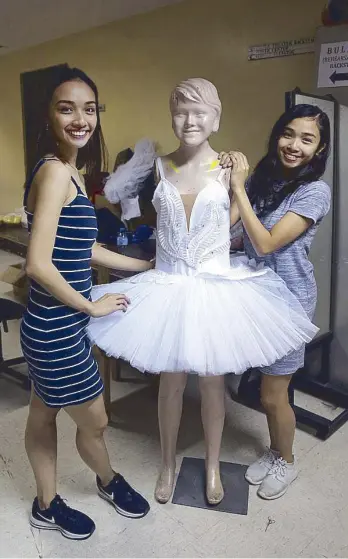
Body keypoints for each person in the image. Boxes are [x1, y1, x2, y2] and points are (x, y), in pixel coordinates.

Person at [87, 79, 318, 507]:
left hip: (215, 286)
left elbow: (229, 226)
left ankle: (213, 466)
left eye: (200, 112)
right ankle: (168, 463)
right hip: (169, 286)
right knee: (169, 384)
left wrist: (238, 185)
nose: (190, 120)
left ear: (216, 118)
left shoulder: (230, 168)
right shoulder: (158, 166)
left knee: (213, 384)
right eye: (180, 110)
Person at [21, 65, 153, 540]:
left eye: (89, 108)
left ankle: (45, 502)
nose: (81, 118)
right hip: (57, 327)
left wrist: (140, 267)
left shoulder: (70, 170)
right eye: (67, 108)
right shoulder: (56, 173)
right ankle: (108, 481)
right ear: (49, 115)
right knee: (95, 419)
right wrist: (92, 306)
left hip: (54, 322)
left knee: (43, 411)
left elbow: (84, 248)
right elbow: (38, 264)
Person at [219, 103, 331, 500]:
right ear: (276, 135)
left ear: (319, 150)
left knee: (272, 393)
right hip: (255, 295)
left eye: (307, 139)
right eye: (288, 133)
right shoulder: (262, 182)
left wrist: (238, 187)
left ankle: (286, 461)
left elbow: (266, 244)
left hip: (288, 303)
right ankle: (273, 451)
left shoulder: (315, 192)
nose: (294, 144)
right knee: (264, 387)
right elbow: (230, 227)